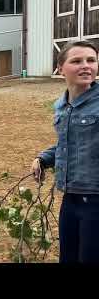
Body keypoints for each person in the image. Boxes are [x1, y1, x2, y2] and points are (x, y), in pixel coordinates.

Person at [31, 39, 99, 263]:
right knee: (68, 257)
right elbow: (66, 142)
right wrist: (42, 158)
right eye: (77, 61)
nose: (86, 66)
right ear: (60, 68)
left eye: (91, 60)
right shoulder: (61, 106)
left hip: (96, 199)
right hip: (70, 198)